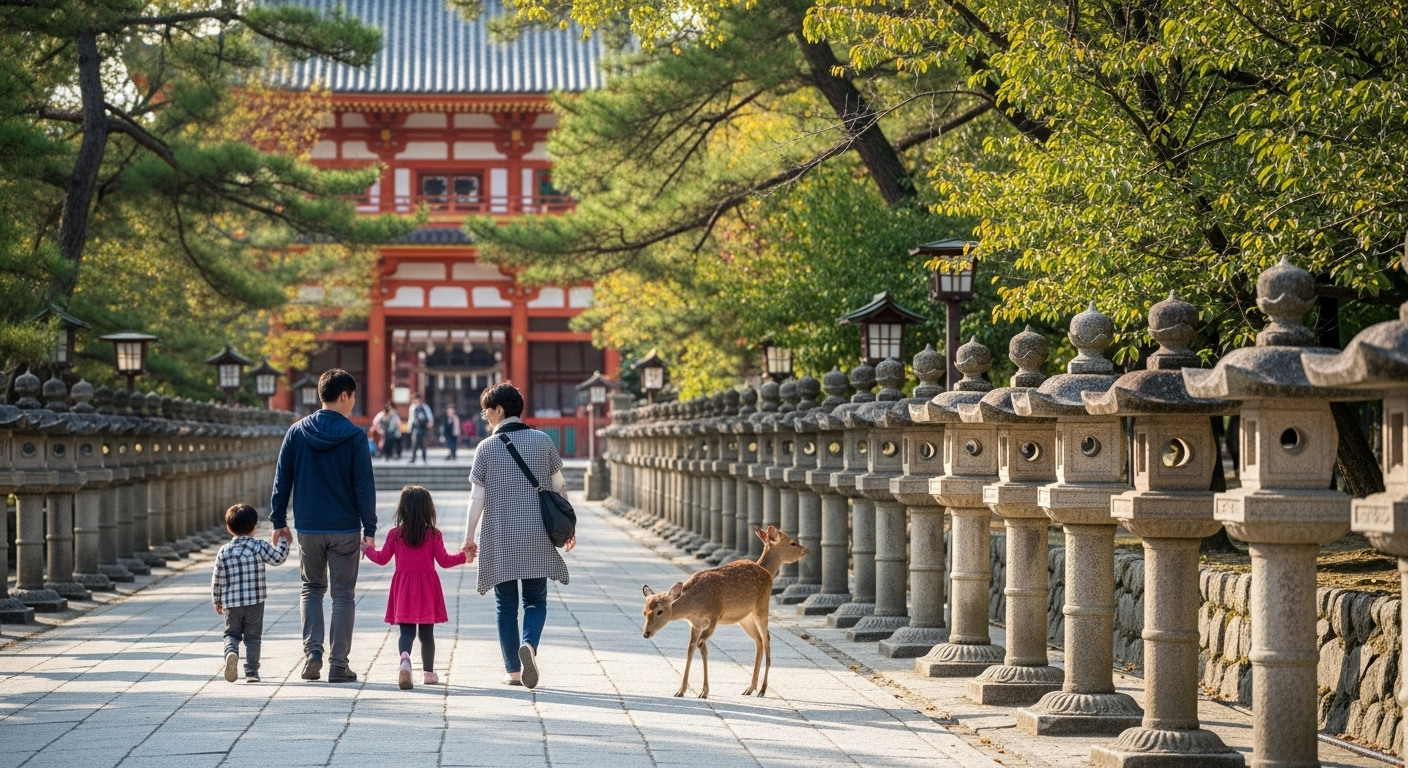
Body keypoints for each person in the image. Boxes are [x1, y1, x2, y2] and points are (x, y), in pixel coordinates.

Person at [462, 382, 575, 689]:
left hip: (500, 537)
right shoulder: (542, 441)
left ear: (499, 410)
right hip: (537, 534)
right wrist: (570, 527)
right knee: (536, 601)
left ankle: (512, 670)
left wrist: (469, 536)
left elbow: (477, 499)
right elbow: (559, 486)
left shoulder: (485, 448)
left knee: (506, 605)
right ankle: (530, 645)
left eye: (487, 411)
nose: (485, 417)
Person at [270, 369, 377, 684]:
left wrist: (279, 521)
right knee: (343, 594)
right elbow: (364, 487)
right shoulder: (356, 437)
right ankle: (338, 664)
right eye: (353, 396)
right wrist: (369, 528)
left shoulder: (296, 432)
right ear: (344, 396)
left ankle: (313, 652)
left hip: (309, 527)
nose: (354, 402)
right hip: (345, 527)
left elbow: (282, 479)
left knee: (312, 589)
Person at [362, 486, 469, 689]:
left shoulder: (395, 535)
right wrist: (465, 556)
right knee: (427, 634)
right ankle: (428, 673)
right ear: (428, 509)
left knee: (407, 632)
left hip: (403, 588)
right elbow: (445, 561)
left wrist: (366, 549)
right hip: (427, 589)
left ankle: (404, 659)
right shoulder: (433, 535)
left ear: (402, 509)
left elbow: (382, 558)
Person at [212, 503, 289, 684]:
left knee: (231, 634)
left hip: (232, 603)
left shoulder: (224, 551)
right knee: (253, 638)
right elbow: (278, 558)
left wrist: (217, 600)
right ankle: (252, 672)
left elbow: (217, 578)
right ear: (255, 526)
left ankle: (231, 652)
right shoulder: (259, 546)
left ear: (229, 528)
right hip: (255, 601)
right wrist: (284, 541)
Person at [408, 393, 432, 463]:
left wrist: (430, 423)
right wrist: (409, 427)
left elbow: (429, 416)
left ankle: (424, 458)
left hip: (423, 427)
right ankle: (413, 458)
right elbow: (411, 418)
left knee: (423, 443)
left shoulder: (425, 407)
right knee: (414, 444)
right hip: (415, 427)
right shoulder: (412, 407)